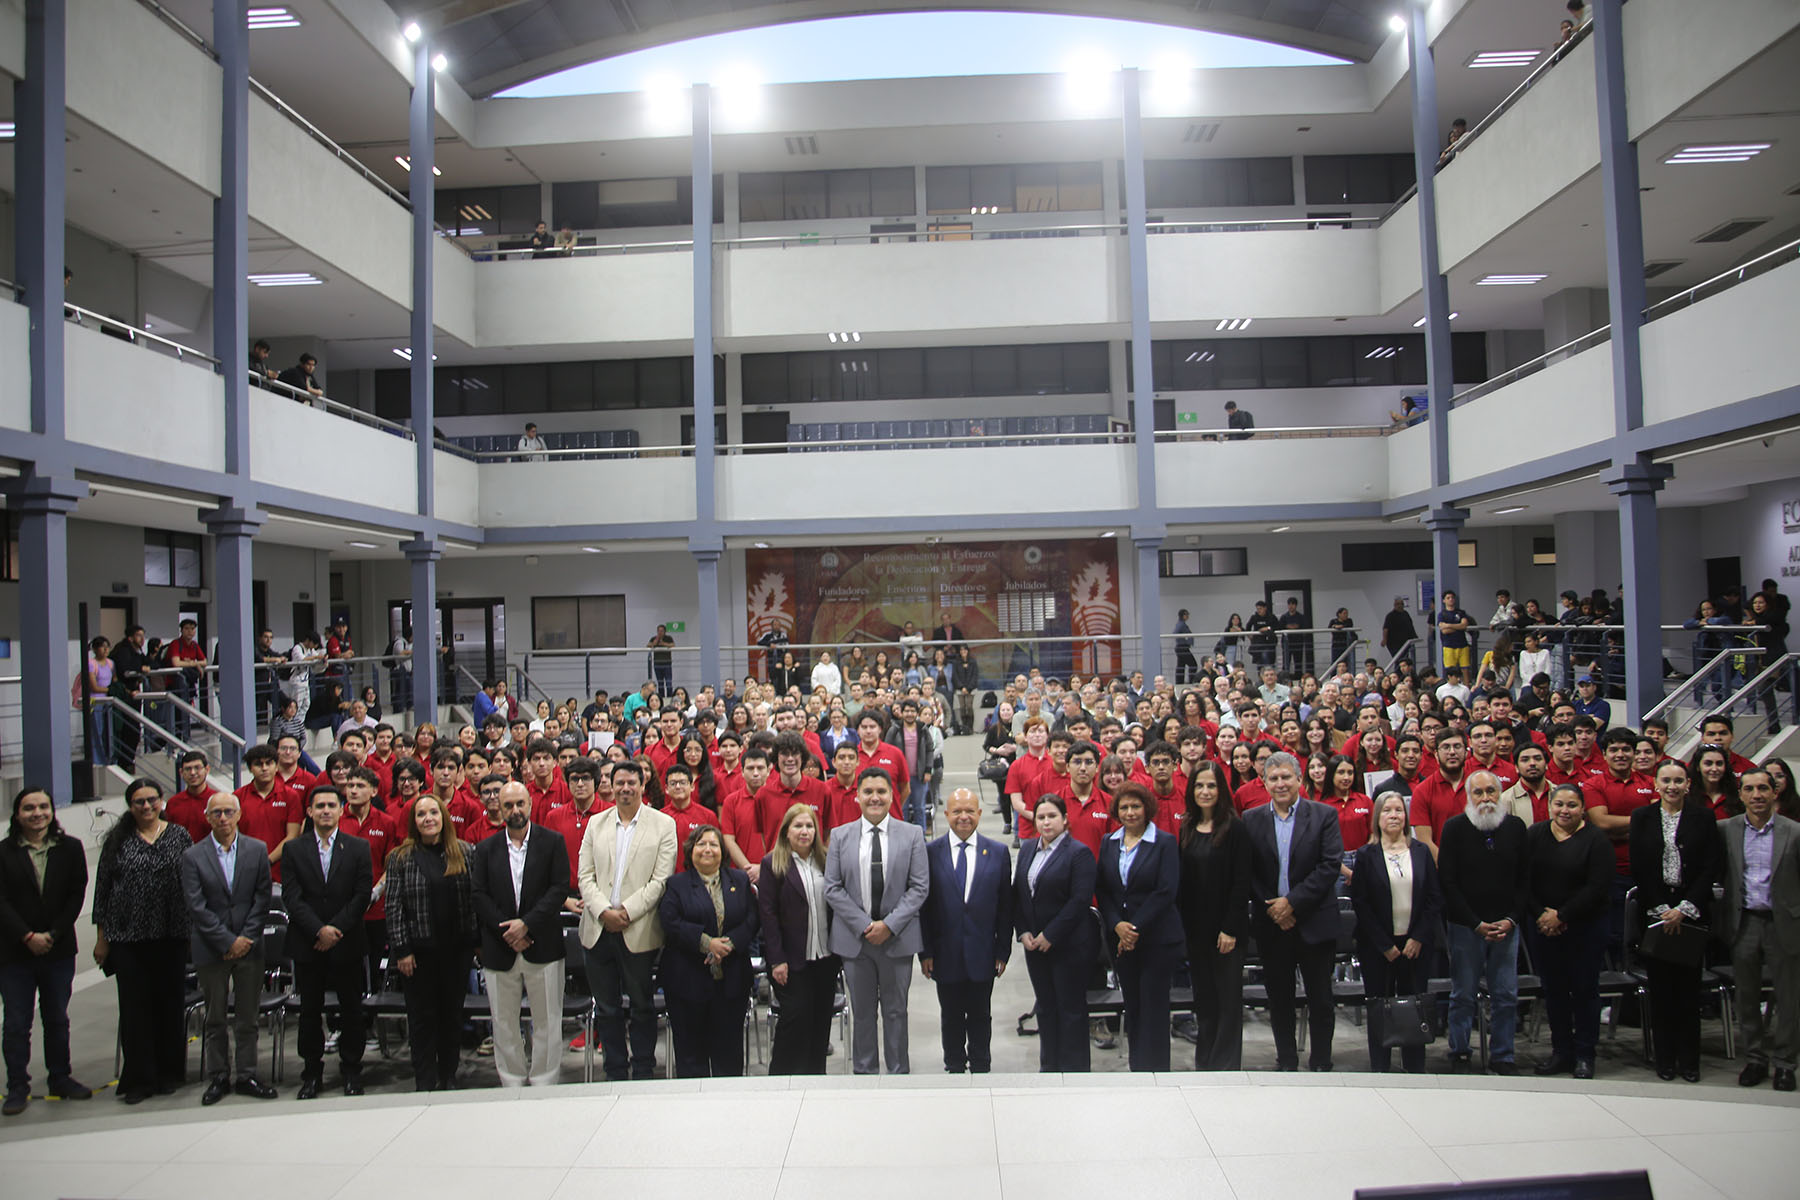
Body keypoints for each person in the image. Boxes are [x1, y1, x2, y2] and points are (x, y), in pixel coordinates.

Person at [92, 779, 192, 1105]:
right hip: (128, 937)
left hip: (171, 935)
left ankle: (167, 1073)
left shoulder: (179, 836)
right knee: (135, 1010)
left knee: (168, 1006)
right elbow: (103, 889)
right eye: (139, 802)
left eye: (151, 800)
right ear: (130, 806)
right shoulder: (117, 841)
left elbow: (191, 882)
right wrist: (102, 938)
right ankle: (139, 1078)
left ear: (162, 801)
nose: (146, 807)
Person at [824, 766, 929, 1074]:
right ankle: (865, 1072)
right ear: (857, 796)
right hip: (855, 941)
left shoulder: (912, 835)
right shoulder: (840, 836)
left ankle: (898, 1073)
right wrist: (864, 925)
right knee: (862, 1013)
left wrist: (890, 925)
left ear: (892, 795)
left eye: (881, 791)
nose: (874, 798)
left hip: (897, 939)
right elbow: (833, 887)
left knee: (896, 1011)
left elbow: (919, 887)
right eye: (867, 792)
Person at [1241, 751, 1343, 1071]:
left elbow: (1329, 867)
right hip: (1272, 924)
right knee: (1280, 999)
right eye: (1274, 778)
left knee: (1321, 1000)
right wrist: (1274, 907)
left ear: (1300, 779)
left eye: (1286, 777)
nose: (1280, 783)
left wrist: (1292, 903)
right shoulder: (1251, 819)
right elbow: (1249, 872)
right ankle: (1286, 1059)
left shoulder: (1323, 815)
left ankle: (1322, 1061)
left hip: (1313, 920)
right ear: (1264, 782)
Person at [578, 761, 678, 1081]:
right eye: (618, 782)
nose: (624, 788)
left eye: (630, 782)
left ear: (642, 783)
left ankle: (645, 1068)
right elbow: (585, 876)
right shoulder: (596, 823)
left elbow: (661, 880)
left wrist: (626, 913)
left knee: (641, 1005)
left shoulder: (663, 825)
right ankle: (615, 1069)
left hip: (638, 928)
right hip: (598, 927)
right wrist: (603, 911)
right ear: (610, 784)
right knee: (606, 1007)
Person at [0, 787, 93, 1115]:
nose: (37, 813)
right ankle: (16, 1085)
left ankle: (60, 1077)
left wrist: (52, 934)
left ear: (52, 811)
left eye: (43, 806)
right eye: (29, 808)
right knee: (16, 1022)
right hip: (14, 953)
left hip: (58, 949)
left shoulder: (70, 848)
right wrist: (26, 936)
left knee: (56, 1018)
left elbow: (75, 894)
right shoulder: (3, 852)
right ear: (17, 814)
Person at [179, 793, 276, 1105]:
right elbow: (195, 905)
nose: (223, 818)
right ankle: (219, 1075)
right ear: (208, 817)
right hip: (212, 949)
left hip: (250, 946)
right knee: (215, 1017)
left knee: (247, 1017)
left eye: (228, 812)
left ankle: (247, 1073)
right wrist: (226, 941)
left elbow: (262, 898)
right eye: (216, 812)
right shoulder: (193, 856)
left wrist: (245, 938)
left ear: (238, 815)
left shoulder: (257, 849)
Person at [471, 781, 570, 1088]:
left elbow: (558, 889)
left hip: (543, 944)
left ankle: (544, 1080)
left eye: (519, 804)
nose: (514, 810)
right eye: (508, 805)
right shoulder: (485, 849)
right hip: (500, 948)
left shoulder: (552, 841)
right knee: (503, 1022)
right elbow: (478, 894)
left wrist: (526, 924)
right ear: (498, 809)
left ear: (530, 804)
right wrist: (509, 930)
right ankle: (512, 1080)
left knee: (547, 1021)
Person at [1629, 759, 1723, 1082]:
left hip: (1691, 914)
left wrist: (1684, 908)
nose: (1672, 786)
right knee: (1661, 992)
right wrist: (1660, 907)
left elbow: (1710, 866)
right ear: (1655, 784)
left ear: (1688, 785)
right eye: (1666, 780)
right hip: (1656, 913)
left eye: (1678, 781)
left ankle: (1689, 1060)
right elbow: (1639, 867)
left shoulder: (1703, 817)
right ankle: (1665, 1058)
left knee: (1687, 992)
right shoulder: (1642, 817)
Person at [280, 785, 373, 1098]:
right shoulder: (294, 849)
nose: (325, 811)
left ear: (340, 809)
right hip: (309, 943)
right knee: (310, 1011)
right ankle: (312, 1073)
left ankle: (351, 1071)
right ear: (309, 811)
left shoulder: (358, 847)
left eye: (331, 805)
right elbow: (291, 896)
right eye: (319, 806)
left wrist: (334, 930)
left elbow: (362, 895)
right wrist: (318, 930)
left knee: (351, 1009)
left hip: (345, 942)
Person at [383, 794, 477, 1091]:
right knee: (422, 1020)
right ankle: (424, 1079)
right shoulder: (400, 857)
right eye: (421, 814)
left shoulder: (464, 852)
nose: (428, 819)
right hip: (418, 954)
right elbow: (393, 907)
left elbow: (474, 900)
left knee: (451, 1017)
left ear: (443, 816)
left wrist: (475, 943)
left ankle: (448, 1075)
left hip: (456, 952)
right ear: (414, 821)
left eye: (433, 812)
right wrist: (403, 950)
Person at [1437, 770, 1528, 1074]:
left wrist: (1511, 919)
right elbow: (1447, 883)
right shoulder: (1454, 829)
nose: (1486, 798)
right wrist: (1475, 923)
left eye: (1491, 791)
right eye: (1479, 793)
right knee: (1463, 994)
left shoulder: (1515, 828)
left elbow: (1524, 882)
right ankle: (1460, 1051)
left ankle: (1503, 1055)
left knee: (1505, 995)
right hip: (1466, 927)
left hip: (1506, 928)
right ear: (1468, 796)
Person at [919, 788, 1013, 1074]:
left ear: (980, 814)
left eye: (970, 811)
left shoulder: (997, 852)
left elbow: (1005, 907)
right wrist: (925, 952)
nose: (963, 817)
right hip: (944, 952)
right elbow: (924, 908)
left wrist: (1003, 951)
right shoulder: (930, 852)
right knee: (950, 1015)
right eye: (957, 811)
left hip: (983, 952)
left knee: (981, 1014)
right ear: (946, 814)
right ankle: (955, 1064)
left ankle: (982, 1064)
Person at [1525, 781, 1613, 1079]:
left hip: (1585, 928)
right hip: (1544, 929)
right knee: (1555, 992)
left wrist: (1561, 916)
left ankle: (1585, 1054)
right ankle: (1561, 1052)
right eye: (1559, 804)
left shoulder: (1596, 840)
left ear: (1583, 808)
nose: (1565, 810)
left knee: (1585, 991)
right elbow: (1523, 881)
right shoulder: (1535, 834)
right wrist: (1542, 916)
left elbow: (1598, 887)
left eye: (1571, 805)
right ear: (1550, 806)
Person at [1720, 768, 1800, 1092]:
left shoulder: (1793, 832)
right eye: (1750, 789)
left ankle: (1785, 1063)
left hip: (1784, 922)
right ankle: (1755, 1059)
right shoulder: (1725, 829)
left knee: (1789, 997)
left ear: (1774, 792)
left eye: (1763, 788)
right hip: (1745, 921)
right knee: (1748, 996)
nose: (1757, 795)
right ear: (1740, 795)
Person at [657, 825, 758, 1078]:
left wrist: (729, 944)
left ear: (722, 851)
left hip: (732, 981)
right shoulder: (676, 884)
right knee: (691, 1054)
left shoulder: (740, 880)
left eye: (714, 844)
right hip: (687, 982)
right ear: (691, 850)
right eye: (701, 844)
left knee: (729, 1053)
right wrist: (706, 943)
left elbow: (753, 918)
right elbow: (670, 921)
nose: (707, 850)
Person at [1350, 793, 1441, 1072]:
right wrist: (1384, 944)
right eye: (1387, 810)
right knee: (1380, 1004)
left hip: (1416, 945)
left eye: (1399, 810)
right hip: (1378, 947)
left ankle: (1414, 1067)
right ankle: (1380, 1065)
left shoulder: (1421, 852)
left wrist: (1418, 938)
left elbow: (1434, 899)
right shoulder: (1366, 855)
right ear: (1377, 817)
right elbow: (1361, 903)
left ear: (1406, 816)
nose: (1393, 815)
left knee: (1414, 1004)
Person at [1097, 782, 1182, 1072]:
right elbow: (1105, 890)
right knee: (1133, 1004)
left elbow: (1166, 891)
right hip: (1121, 940)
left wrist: (1133, 928)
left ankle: (1157, 1068)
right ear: (1116, 811)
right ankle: (1138, 1067)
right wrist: (1117, 925)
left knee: (1154, 1006)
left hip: (1157, 938)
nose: (1130, 812)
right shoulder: (1109, 842)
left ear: (1147, 809)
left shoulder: (1165, 842)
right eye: (1124, 807)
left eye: (1136, 806)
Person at [1012, 795, 1099, 1072]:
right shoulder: (1027, 849)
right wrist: (1023, 931)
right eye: (1040, 817)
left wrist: (1051, 935)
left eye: (1052, 816)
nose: (1046, 822)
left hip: (1068, 945)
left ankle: (1074, 1070)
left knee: (1070, 1009)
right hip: (1035, 946)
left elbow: (1080, 900)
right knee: (1046, 1008)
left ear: (1065, 820)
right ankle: (1049, 1067)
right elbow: (1019, 895)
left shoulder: (1078, 853)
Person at [757, 804, 838, 1075]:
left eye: (809, 826)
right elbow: (768, 915)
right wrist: (776, 959)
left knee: (820, 1019)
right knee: (795, 1016)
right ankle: (781, 1075)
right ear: (786, 831)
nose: (805, 832)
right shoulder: (773, 864)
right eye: (798, 826)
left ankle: (816, 1075)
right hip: (790, 960)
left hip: (825, 958)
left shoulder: (827, 861)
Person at [1381, 598, 1418, 669]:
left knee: (1405, 661)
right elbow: (1386, 629)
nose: (1400, 606)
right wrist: (1384, 640)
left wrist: (1414, 636)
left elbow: (1410, 626)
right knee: (1398, 660)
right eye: (1398, 604)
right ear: (1394, 605)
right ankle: (1397, 676)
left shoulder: (1405, 614)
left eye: (1401, 604)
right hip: (1394, 643)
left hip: (1405, 642)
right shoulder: (1390, 616)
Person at [646, 624, 676, 697]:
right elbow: (648, 645)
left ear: (665, 631)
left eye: (661, 631)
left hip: (667, 664)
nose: (660, 632)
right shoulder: (654, 638)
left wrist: (663, 644)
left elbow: (672, 645)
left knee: (668, 683)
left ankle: (669, 697)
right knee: (660, 683)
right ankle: (661, 697)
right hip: (657, 664)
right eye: (658, 631)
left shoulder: (668, 638)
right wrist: (656, 642)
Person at [1173, 609, 1199, 684]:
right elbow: (1175, 633)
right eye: (1186, 615)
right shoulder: (1181, 624)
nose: (1187, 616)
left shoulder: (1181, 624)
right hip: (1182, 648)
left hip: (1182, 647)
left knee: (1181, 666)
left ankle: (1180, 682)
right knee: (1193, 664)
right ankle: (1191, 681)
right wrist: (1184, 641)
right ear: (1183, 615)